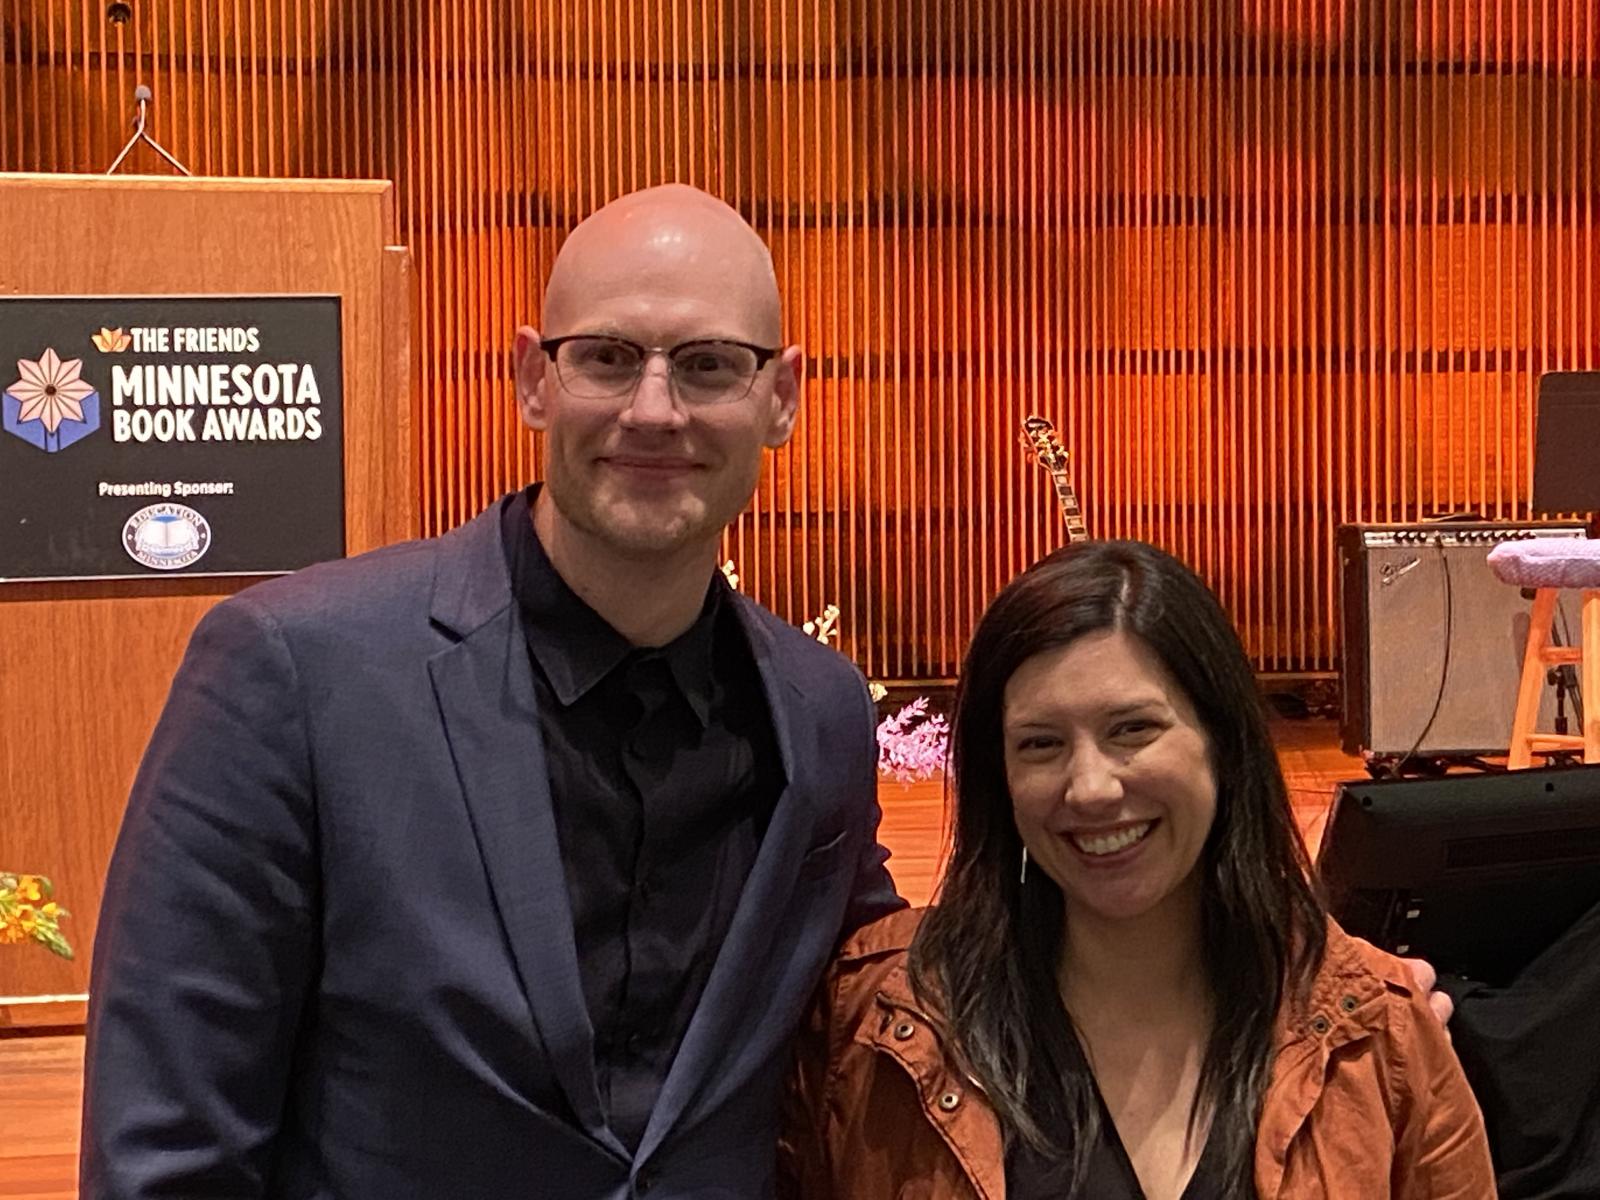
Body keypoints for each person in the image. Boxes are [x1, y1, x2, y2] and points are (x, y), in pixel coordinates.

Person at [81, 184, 904, 1199]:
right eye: (607, 357)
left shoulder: (819, 714)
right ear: (532, 380)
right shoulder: (293, 671)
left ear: (780, 399)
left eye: (708, 365)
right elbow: (167, 1156)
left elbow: (884, 1008)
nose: (654, 409)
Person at [778, 539, 1494, 1199]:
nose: (1090, 787)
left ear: (1222, 742)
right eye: (1040, 744)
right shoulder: (880, 1022)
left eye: (1133, 729)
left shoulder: (1377, 1030)